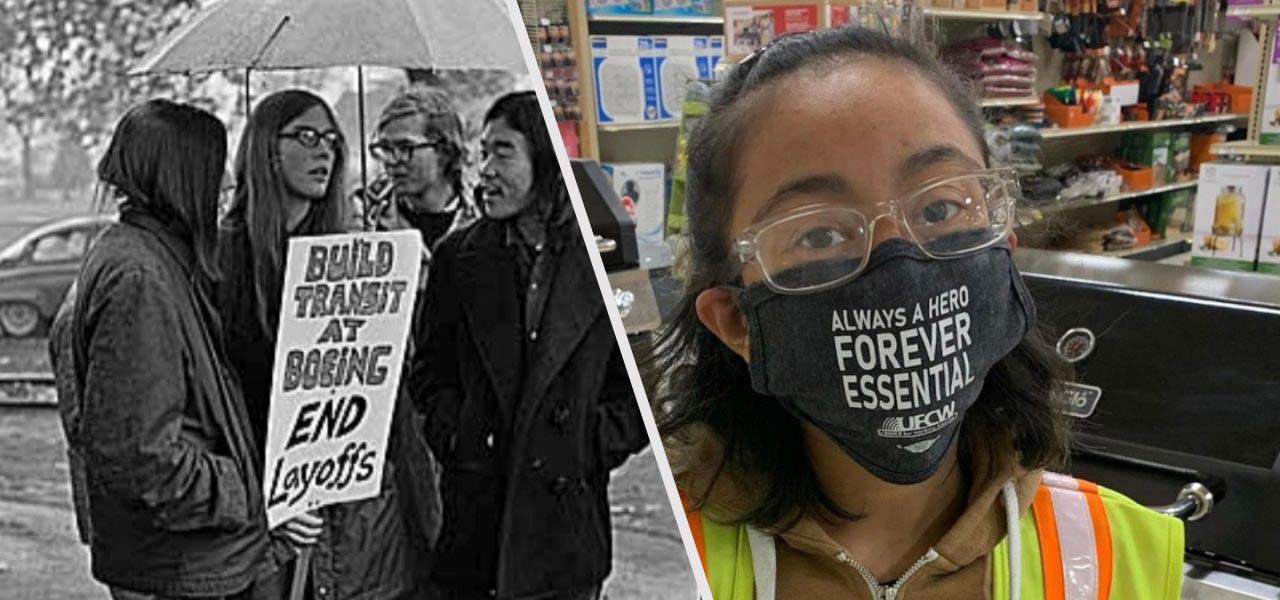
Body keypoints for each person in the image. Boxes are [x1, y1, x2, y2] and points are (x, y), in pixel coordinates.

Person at [647, 28, 1185, 599]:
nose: (900, 264)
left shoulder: (1120, 556)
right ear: (734, 320)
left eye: (941, 206)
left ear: (1004, 241)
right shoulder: (650, 555)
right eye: (821, 233)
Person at [412, 91, 650, 599]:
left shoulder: (613, 252)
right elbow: (429, 373)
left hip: (566, 531)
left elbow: (647, 380)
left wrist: (589, 442)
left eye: (502, 152)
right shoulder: (458, 257)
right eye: (483, 153)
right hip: (477, 525)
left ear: (546, 158)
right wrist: (459, 436)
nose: (484, 171)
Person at [48, 99, 281, 599]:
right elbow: (138, 456)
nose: (224, 184)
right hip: (179, 564)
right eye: (212, 166)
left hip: (184, 558)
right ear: (179, 176)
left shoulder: (154, 258)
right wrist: (243, 488)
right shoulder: (139, 277)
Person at [215, 89, 436, 600]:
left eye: (333, 141)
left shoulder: (344, 254)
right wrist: (269, 501)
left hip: (351, 519)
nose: (325, 153)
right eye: (307, 137)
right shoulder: (222, 259)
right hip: (256, 521)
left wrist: (409, 285)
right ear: (267, 147)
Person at [365, 87, 473, 253]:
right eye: (385, 148)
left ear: (444, 150)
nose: (391, 161)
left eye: (405, 148)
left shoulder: (486, 215)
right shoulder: (367, 216)